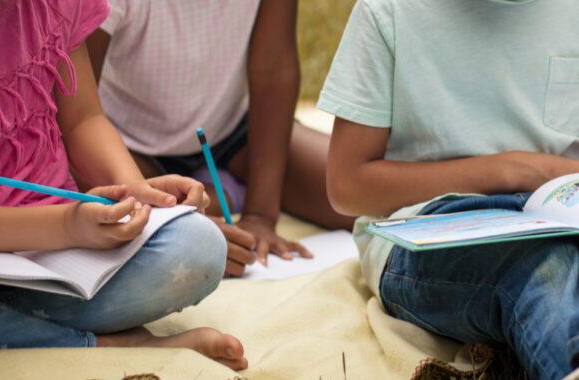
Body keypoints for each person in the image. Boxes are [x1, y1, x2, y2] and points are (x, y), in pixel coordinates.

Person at [0, 0, 246, 370]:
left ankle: (12, 331)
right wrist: (66, 226)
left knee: (200, 245)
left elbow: (83, 120)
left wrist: (133, 191)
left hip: (62, 260)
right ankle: (108, 344)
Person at [318, 0, 579, 378]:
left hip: (558, 213)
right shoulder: (388, 11)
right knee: (544, 268)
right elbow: (348, 185)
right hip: (425, 231)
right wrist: (509, 171)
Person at [84, 0, 356, 276]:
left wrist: (260, 215)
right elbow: (76, 115)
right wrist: (181, 228)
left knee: (354, 197)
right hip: (129, 147)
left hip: (234, 130)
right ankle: (220, 192)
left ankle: (217, 190)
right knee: (108, 211)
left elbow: (273, 72)